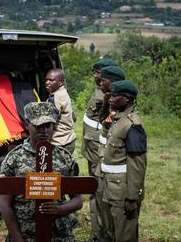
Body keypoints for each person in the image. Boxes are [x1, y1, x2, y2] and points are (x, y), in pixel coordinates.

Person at [0, 102, 82, 242]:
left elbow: (78, 200)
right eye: (38, 126)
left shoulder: (64, 157)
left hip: (58, 235)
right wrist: (18, 239)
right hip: (25, 234)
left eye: (48, 125)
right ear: (27, 125)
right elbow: (5, 205)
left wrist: (59, 209)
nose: (44, 131)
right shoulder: (13, 159)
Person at [99, 80, 147, 242]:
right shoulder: (117, 118)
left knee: (125, 235)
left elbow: (137, 164)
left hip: (123, 193)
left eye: (115, 95)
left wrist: (132, 197)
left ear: (127, 99)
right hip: (111, 187)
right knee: (111, 232)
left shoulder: (133, 125)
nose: (110, 98)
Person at [82, 59, 118, 242]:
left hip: (99, 149)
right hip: (92, 146)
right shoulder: (100, 92)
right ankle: (97, 231)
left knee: (99, 190)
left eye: (100, 73)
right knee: (94, 189)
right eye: (95, 72)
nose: (96, 76)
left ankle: (103, 232)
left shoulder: (111, 97)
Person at [44, 68, 76, 154]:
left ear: (61, 82)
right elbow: (73, 116)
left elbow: (50, 123)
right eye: (46, 80)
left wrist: (44, 142)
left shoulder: (56, 97)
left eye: (51, 80)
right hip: (69, 139)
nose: (47, 82)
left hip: (59, 143)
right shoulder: (63, 92)